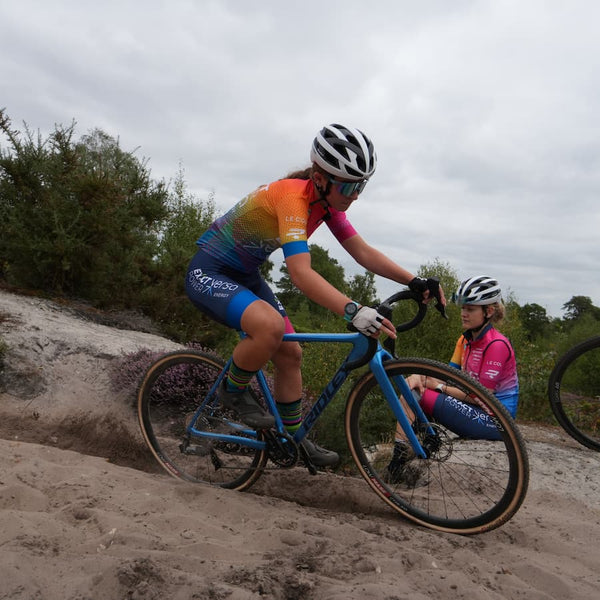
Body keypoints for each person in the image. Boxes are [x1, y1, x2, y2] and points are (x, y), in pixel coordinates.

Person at [185, 123, 445, 468]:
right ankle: (231, 392)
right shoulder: (292, 197)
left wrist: (415, 281)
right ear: (320, 178)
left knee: (291, 353)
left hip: (245, 275)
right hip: (209, 271)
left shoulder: (326, 205)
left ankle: (293, 439)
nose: (356, 194)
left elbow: (362, 252)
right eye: (350, 185)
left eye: (361, 185)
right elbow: (301, 273)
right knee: (270, 327)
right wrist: (352, 309)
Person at [386, 275, 519, 482]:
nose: (463, 314)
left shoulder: (497, 345)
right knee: (412, 388)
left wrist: (436, 385)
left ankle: (398, 463)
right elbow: (447, 375)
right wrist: (420, 376)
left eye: (470, 309)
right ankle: (405, 454)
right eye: (462, 308)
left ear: (489, 311)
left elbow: (480, 398)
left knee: (416, 395)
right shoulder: (465, 340)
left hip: (495, 420)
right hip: (474, 409)